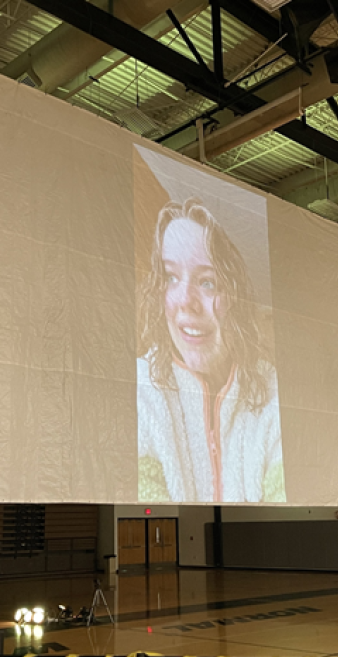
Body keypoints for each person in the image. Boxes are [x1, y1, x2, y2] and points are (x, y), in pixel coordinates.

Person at [137, 198, 285, 503]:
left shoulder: (273, 395)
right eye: (171, 277)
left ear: (237, 297)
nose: (185, 301)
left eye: (208, 282)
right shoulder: (139, 393)